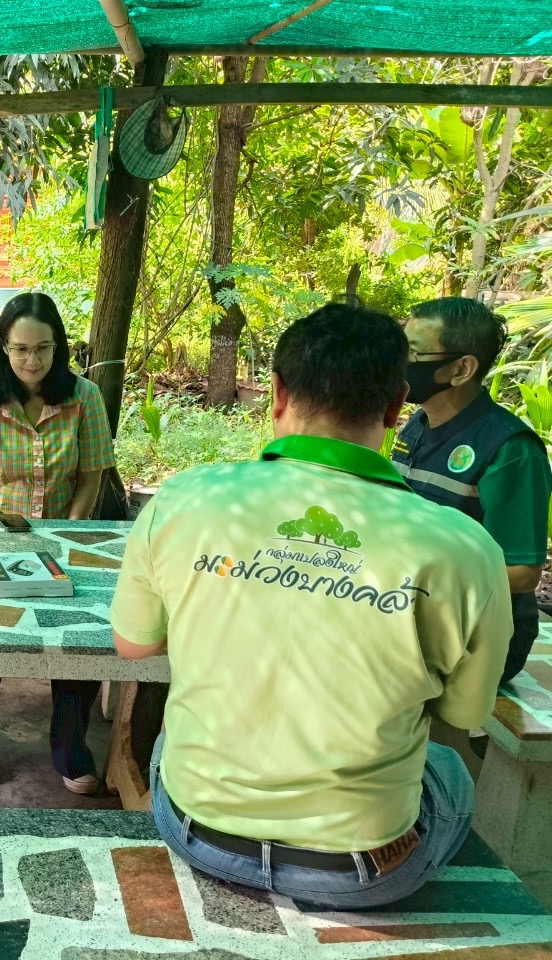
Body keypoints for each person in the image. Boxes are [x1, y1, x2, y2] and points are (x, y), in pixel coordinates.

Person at [111, 303, 510, 909]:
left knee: (173, 738)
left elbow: (136, 646)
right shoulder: (463, 547)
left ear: (275, 392)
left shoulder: (187, 498)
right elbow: (463, 711)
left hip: (201, 836)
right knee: (449, 771)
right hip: (362, 871)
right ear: (396, 406)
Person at [0, 291, 115, 794]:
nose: (32, 360)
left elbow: (92, 475)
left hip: (69, 531)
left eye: (43, 348)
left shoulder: (84, 397)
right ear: (3, 347)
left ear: (58, 347)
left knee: (79, 635)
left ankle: (69, 744)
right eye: (21, 349)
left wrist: (67, 533)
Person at [392, 297, 551, 685]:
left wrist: (415, 581)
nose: (399, 363)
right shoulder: (417, 425)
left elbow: (522, 574)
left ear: (461, 369)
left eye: (413, 353)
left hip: (482, 634)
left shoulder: (511, 450)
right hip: (410, 610)